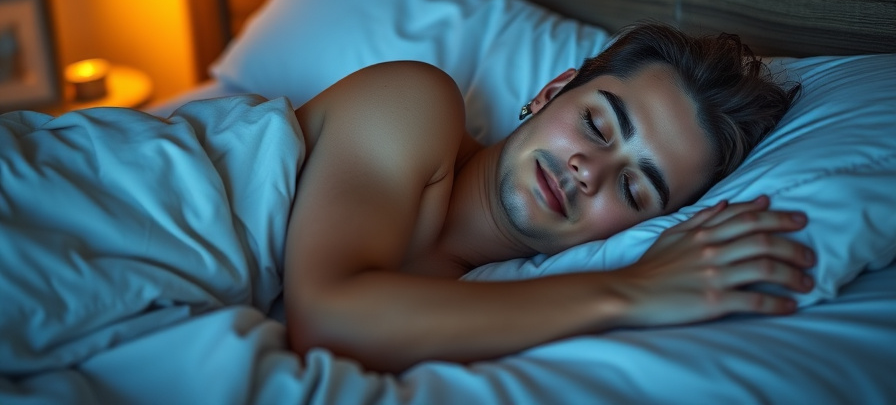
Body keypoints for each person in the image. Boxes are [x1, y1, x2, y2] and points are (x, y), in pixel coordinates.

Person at [283, 22, 811, 372]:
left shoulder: (493, 311)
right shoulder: (416, 105)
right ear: (551, 92)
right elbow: (325, 321)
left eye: (633, 187)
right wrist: (632, 290)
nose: (589, 170)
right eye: (597, 125)